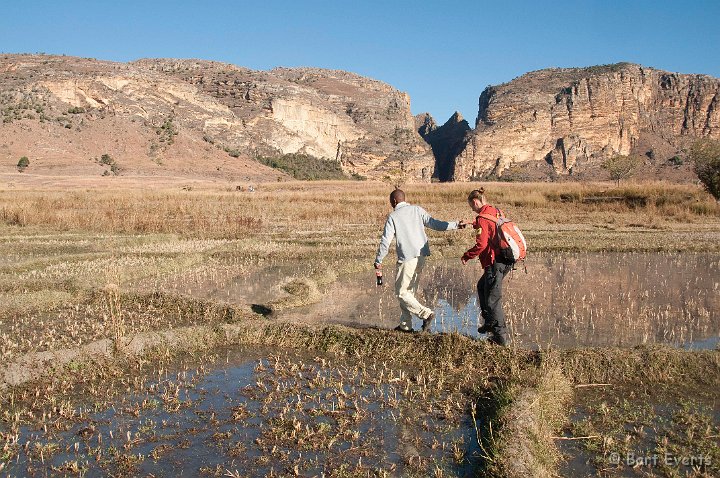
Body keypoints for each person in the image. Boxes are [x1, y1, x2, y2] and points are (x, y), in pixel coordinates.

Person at [375, 189, 465, 333]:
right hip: (421, 256)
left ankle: (426, 314)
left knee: (401, 293)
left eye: (390, 201)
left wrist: (378, 259)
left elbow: (385, 241)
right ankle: (405, 326)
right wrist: (455, 224)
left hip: (407, 258)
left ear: (394, 201)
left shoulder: (393, 216)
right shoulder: (417, 210)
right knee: (409, 293)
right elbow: (435, 224)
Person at [461, 188, 511, 345]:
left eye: (472, 207)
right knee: (482, 287)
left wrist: (467, 255)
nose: (473, 209)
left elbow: (481, 244)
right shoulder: (495, 211)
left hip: (495, 262)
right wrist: (471, 223)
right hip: (504, 259)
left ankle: (500, 338)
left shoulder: (482, 218)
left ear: (475, 202)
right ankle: (489, 322)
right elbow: (489, 224)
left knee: (492, 299)